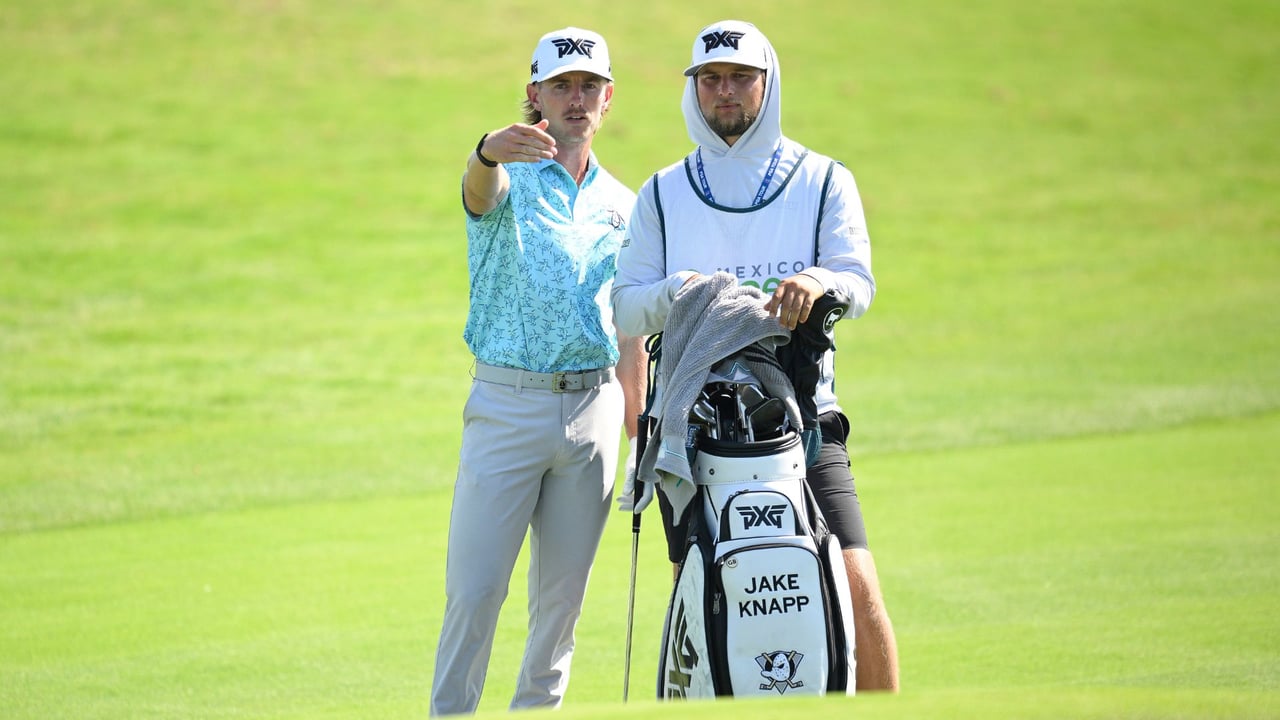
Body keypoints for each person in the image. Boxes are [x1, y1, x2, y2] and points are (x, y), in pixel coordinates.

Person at [611, 19, 901, 692]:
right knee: (702, 596)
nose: (726, 92)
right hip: (694, 428)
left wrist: (818, 282)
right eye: (710, 80)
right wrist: (683, 292)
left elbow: (858, 282)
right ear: (695, 91)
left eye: (741, 77)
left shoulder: (824, 180)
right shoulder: (662, 192)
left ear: (767, 83)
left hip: (805, 417)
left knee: (856, 586)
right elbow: (626, 307)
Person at [430, 27, 644, 716]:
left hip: (594, 410)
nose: (575, 98)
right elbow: (476, 191)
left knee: (560, 606)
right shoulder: (505, 177)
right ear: (536, 96)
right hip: (507, 405)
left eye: (588, 86)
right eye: (561, 86)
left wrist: (636, 425)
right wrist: (484, 150)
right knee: (475, 589)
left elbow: (631, 319)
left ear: (607, 98)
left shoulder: (626, 203)